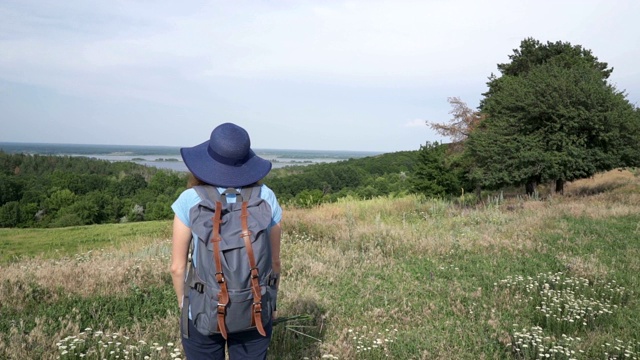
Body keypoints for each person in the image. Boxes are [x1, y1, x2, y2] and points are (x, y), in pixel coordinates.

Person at [170, 122, 282, 360]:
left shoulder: (189, 199)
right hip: (255, 306)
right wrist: (272, 303)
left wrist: (185, 305)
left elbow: (177, 267)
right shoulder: (266, 196)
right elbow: (275, 263)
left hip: (202, 309)